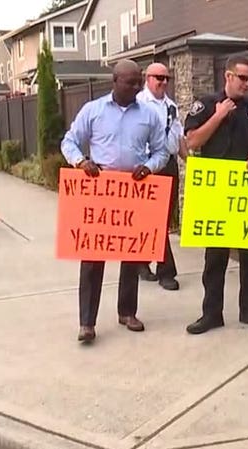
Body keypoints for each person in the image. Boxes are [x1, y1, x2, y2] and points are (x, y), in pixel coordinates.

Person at [60, 60, 169, 343]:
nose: (136, 87)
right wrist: (81, 161)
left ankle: (127, 312)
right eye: (130, 82)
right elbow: (69, 142)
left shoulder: (148, 115)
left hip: (133, 193)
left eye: (139, 82)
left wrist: (150, 167)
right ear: (115, 81)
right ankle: (87, 322)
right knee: (93, 261)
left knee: (132, 257)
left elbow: (161, 151)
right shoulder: (93, 111)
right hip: (100, 194)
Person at [184, 56, 248, 335]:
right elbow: (192, 141)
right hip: (216, 192)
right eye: (242, 78)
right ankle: (211, 313)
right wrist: (219, 115)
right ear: (228, 76)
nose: (247, 84)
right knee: (215, 258)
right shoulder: (206, 104)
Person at [137, 62, 186, 291]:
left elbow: (179, 138)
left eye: (167, 78)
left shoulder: (171, 106)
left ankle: (141, 262)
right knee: (152, 219)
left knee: (163, 219)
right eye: (159, 77)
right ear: (148, 78)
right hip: (146, 167)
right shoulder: (137, 104)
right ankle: (166, 271)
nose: (164, 82)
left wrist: (190, 161)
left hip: (169, 165)